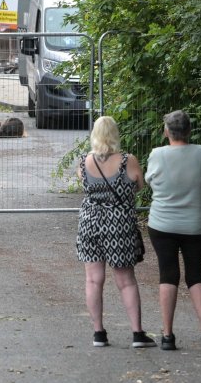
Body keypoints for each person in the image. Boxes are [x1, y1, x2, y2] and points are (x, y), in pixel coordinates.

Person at [76, 115, 155, 348]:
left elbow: (83, 183)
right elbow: (139, 185)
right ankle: (137, 333)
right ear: (115, 135)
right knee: (126, 280)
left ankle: (98, 333)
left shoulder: (83, 161)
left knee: (93, 279)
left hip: (90, 222)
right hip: (118, 224)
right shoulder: (127, 161)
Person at [146, 110, 201, 351]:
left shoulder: (157, 154)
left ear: (166, 131)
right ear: (189, 131)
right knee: (196, 276)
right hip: (195, 224)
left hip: (162, 224)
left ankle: (167, 335)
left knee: (168, 275)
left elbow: (150, 180)